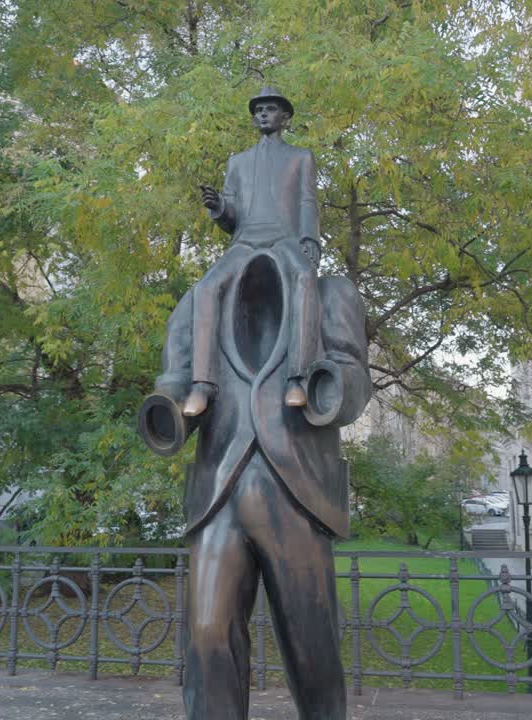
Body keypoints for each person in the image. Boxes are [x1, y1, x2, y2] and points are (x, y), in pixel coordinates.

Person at [139, 88, 372, 719]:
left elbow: (354, 378)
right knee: (209, 638)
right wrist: (170, 407)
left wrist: (325, 387)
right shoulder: (198, 300)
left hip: (297, 494)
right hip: (218, 490)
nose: (265, 117)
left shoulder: (328, 293)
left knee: (313, 653)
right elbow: (172, 375)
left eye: (274, 110)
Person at [184, 87, 323, 417]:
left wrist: (310, 241)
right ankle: (202, 385)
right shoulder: (237, 162)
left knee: (304, 278)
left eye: (271, 109)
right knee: (205, 288)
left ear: (285, 117)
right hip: (244, 243)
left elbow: (307, 201)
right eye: (259, 109)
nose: (263, 114)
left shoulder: (300, 157)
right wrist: (219, 207)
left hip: (284, 240)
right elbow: (231, 217)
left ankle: (297, 378)